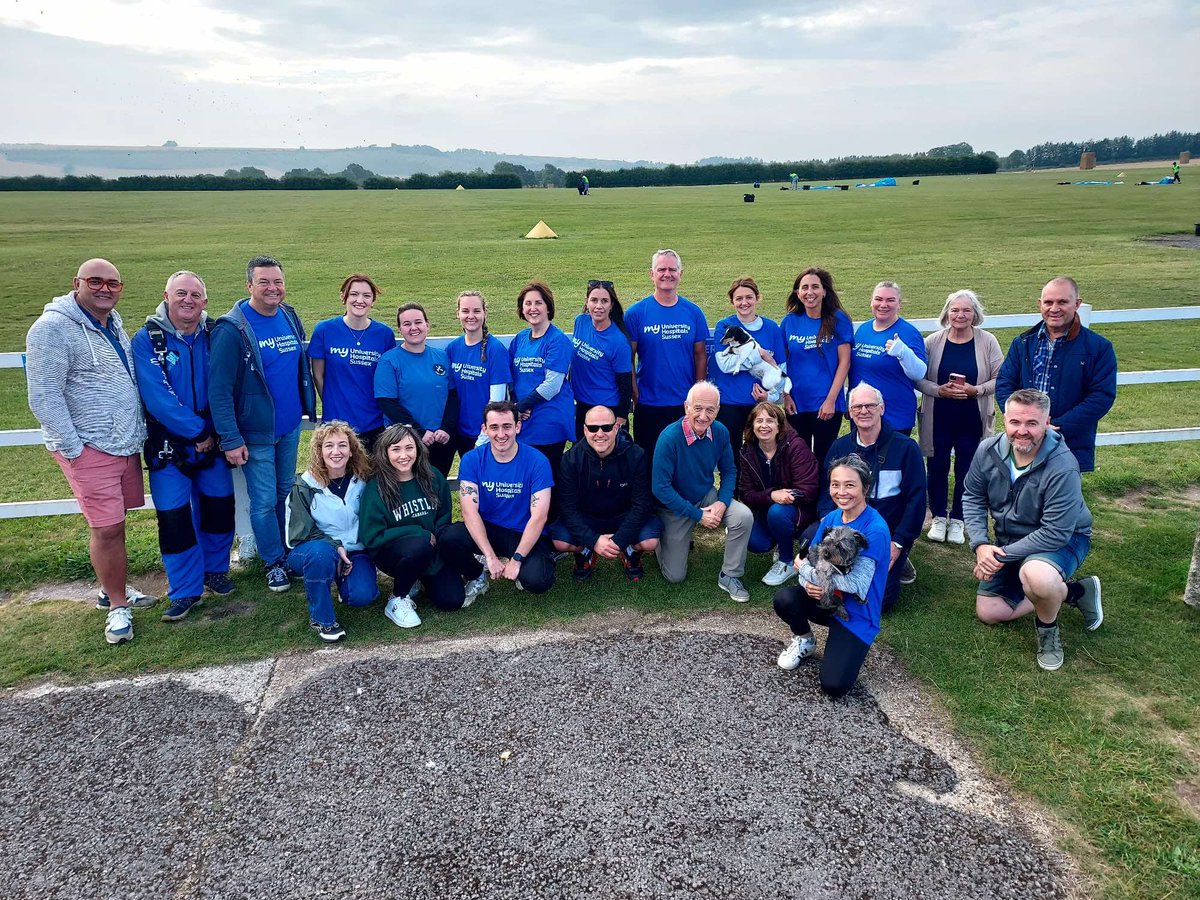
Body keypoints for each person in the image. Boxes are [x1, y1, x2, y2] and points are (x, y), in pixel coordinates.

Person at [26, 258, 155, 644]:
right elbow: (43, 395)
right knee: (107, 527)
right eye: (95, 281)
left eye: (113, 283)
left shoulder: (111, 323)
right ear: (77, 283)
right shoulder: (51, 329)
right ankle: (117, 606)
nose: (105, 289)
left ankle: (110, 588)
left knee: (116, 522)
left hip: (122, 443)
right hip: (90, 447)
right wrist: (74, 449)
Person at [962, 389, 1103, 671]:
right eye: (1015, 422)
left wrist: (998, 556)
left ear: (1047, 422)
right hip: (1011, 540)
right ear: (1005, 420)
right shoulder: (987, 450)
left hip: (1063, 539)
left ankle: (1048, 630)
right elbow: (972, 496)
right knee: (989, 611)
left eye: (1032, 423)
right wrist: (980, 545)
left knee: (1037, 576)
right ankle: (1074, 592)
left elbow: (1055, 532)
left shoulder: (1063, 465)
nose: (1022, 431)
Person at [132, 270, 235, 623]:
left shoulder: (216, 334)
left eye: (194, 295)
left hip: (213, 442)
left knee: (219, 509)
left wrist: (215, 432)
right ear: (166, 296)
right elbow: (157, 398)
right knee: (174, 519)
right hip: (169, 448)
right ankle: (185, 590)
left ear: (205, 301)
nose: (188, 300)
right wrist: (198, 432)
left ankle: (215, 571)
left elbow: (229, 383)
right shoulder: (148, 339)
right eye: (181, 293)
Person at [209, 254, 316, 594]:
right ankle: (274, 563)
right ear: (249, 286)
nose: (273, 288)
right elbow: (219, 389)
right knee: (264, 499)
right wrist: (230, 437)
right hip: (255, 433)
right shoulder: (232, 329)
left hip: (289, 427)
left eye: (278, 282)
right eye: (264, 282)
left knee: (285, 492)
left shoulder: (288, 315)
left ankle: (288, 551)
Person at [772, 453, 891, 698]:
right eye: (835, 484)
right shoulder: (833, 518)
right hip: (825, 599)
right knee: (785, 599)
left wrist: (804, 572)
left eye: (850, 485)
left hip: (857, 612)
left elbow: (855, 584)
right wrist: (807, 584)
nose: (841, 492)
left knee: (833, 685)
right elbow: (811, 559)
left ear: (865, 488)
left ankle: (848, 644)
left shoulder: (875, 530)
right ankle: (805, 640)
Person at [819, 382, 926, 609]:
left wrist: (898, 543)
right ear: (850, 413)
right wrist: (827, 527)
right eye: (857, 407)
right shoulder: (839, 447)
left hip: (886, 533)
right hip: (845, 531)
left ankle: (901, 559)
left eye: (870, 405)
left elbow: (916, 501)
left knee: (879, 600)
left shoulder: (906, 449)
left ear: (882, 408)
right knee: (819, 575)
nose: (864, 411)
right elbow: (825, 493)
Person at [995, 277, 1117, 473]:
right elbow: (1004, 383)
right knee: (1019, 491)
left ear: (1077, 304)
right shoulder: (1023, 343)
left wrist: (1056, 426)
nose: (1054, 308)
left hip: (1070, 442)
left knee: (1062, 492)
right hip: (1024, 439)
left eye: (1062, 302)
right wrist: (1020, 420)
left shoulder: (1098, 348)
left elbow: (1101, 396)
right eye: (1048, 302)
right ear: (1040, 304)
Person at [439, 401, 557, 599]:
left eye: (507, 426)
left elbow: (539, 517)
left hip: (523, 531)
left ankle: (523, 565)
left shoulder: (537, 461)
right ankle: (476, 575)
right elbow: (469, 512)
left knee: (538, 580)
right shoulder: (472, 459)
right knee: (448, 538)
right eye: (494, 427)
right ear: (484, 429)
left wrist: (517, 560)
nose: (501, 434)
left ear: (517, 427)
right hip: (489, 528)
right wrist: (490, 557)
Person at [916, 290, 1004, 544]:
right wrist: (939, 390)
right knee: (937, 467)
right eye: (955, 310)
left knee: (967, 468)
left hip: (972, 418)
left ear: (975, 314)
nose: (960, 315)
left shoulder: (988, 341)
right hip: (938, 417)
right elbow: (918, 377)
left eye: (966, 310)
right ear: (947, 313)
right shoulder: (932, 342)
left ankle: (958, 519)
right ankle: (938, 517)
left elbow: (1001, 377)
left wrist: (977, 390)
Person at [652, 382, 754, 601]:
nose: (703, 416)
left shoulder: (720, 431)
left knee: (743, 516)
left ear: (718, 410)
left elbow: (729, 470)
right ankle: (661, 539)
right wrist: (697, 515)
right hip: (674, 506)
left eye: (710, 410)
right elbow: (660, 488)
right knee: (674, 576)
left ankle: (730, 574)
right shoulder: (669, 438)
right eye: (697, 408)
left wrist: (722, 502)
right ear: (686, 407)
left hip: (705, 496)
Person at [358, 423, 464, 629]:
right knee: (418, 546)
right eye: (396, 449)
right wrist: (417, 532)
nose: (403, 455)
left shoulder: (433, 476)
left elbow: (444, 516)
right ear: (385, 453)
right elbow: (372, 537)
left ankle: (417, 577)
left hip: (431, 550)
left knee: (452, 600)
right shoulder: (376, 487)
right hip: (393, 553)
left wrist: (436, 540)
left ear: (418, 449)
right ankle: (397, 598)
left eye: (409, 448)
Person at [284, 422, 378, 642]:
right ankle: (322, 619)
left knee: (362, 596)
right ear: (320, 451)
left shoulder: (363, 480)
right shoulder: (305, 485)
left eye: (342, 445)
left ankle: (343, 580)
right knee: (321, 555)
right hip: (311, 550)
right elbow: (298, 535)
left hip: (354, 551)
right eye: (329, 445)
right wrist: (335, 547)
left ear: (351, 450)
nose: (336, 451)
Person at [550, 405, 661, 583]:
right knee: (560, 542)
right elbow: (567, 508)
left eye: (606, 427)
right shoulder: (570, 459)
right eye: (593, 428)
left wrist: (619, 540)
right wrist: (593, 541)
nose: (600, 434)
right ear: (585, 430)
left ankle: (630, 552)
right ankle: (584, 552)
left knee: (650, 541)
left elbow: (642, 504)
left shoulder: (636, 455)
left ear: (616, 427)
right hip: (587, 517)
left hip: (623, 515)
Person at [625, 249, 710, 465]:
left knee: (683, 463)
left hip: (684, 404)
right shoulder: (636, 313)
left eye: (672, 269)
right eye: (661, 269)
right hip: (649, 403)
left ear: (681, 273)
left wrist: (698, 394)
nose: (667, 274)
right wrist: (634, 390)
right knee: (648, 462)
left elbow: (700, 355)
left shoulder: (693, 312)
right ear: (651, 274)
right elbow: (628, 357)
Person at [307, 274, 396, 450]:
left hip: (374, 424)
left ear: (373, 301)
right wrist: (334, 403)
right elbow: (318, 375)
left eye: (366, 296)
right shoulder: (324, 330)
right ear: (344, 296)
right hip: (336, 424)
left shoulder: (384, 334)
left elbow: (387, 380)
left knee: (372, 468)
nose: (360, 300)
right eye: (354, 294)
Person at [737, 402, 819, 586]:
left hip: (800, 510)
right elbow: (746, 493)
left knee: (778, 512)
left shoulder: (796, 446)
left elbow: (809, 488)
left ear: (779, 425)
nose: (764, 425)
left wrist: (783, 497)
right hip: (766, 509)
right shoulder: (748, 451)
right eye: (759, 421)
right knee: (754, 542)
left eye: (770, 421)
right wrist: (772, 495)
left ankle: (787, 561)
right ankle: (782, 539)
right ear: (752, 426)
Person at [373, 302, 459, 477]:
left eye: (418, 322)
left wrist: (446, 428)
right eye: (407, 324)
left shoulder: (441, 357)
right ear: (400, 329)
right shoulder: (389, 361)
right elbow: (387, 403)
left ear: (427, 324)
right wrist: (418, 432)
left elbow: (452, 395)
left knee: (437, 487)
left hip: (440, 439)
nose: (414, 328)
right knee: (410, 489)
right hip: (406, 441)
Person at [710, 276, 788, 465]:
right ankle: (733, 486)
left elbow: (780, 369)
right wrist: (758, 355)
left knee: (763, 458)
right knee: (731, 460)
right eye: (739, 298)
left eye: (749, 297)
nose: (744, 302)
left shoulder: (771, 328)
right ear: (732, 301)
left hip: (760, 405)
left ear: (757, 298)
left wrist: (770, 396)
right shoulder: (725, 326)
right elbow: (724, 365)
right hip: (729, 403)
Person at [780, 267, 853, 466]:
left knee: (824, 461)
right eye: (804, 287)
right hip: (796, 403)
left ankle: (824, 489)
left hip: (826, 403)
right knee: (799, 461)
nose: (809, 292)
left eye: (815, 287)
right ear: (798, 293)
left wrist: (830, 400)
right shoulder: (789, 322)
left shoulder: (838, 319)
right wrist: (786, 396)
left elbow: (845, 363)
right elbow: (781, 364)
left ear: (824, 291)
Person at [509, 281, 575, 477]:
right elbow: (512, 378)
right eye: (528, 303)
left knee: (546, 479)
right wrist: (517, 406)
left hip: (548, 421)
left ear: (548, 307)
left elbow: (552, 385)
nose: (533, 308)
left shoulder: (557, 340)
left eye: (538, 303)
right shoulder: (520, 338)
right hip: (524, 419)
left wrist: (519, 407)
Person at [847, 280, 927, 435]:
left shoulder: (908, 333)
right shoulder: (863, 329)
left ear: (899, 304)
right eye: (878, 299)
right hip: (862, 415)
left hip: (894, 418)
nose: (883, 305)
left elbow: (919, 373)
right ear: (871, 302)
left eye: (890, 300)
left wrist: (903, 352)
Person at [446, 290, 511, 463]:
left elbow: (497, 401)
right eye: (465, 311)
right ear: (458, 313)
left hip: (485, 435)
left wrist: (483, 439)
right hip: (458, 432)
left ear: (485, 313)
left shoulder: (495, 350)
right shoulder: (453, 348)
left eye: (476, 311)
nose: (471, 316)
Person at [569, 280, 633, 438]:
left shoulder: (618, 342)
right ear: (586, 302)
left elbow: (626, 385)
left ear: (611, 305)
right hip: (582, 405)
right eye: (594, 300)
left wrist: (621, 418)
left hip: (607, 410)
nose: (599, 306)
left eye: (604, 301)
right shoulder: (580, 322)